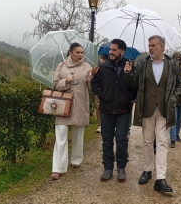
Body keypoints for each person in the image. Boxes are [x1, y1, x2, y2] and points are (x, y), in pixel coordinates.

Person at [124, 35, 181, 192]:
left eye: (153, 45)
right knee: (147, 141)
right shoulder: (143, 63)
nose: (150, 48)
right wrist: (129, 73)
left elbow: (180, 84)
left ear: (162, 47)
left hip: (165, 109)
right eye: (149, 45)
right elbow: (134, 84)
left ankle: (161, 178)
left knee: (163, 142)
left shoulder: (172, 64)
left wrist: (173, 99)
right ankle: (147, 170)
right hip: (147, 109)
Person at [91, 39, 137, 182]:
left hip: (124, 110)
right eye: (110, 49)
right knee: (107, 140)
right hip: (106, 109)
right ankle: (108, 167)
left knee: (122, 140)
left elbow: (136, 86)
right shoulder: (103, 67)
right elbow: (95, 83)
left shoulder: (131, 68)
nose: (111, 52)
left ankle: (121, 167)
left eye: (114, 50)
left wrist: (129, 75)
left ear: (122, 51)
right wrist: (103, 96)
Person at [51, 42, 98, 180]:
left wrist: (93, 77)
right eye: (77, 52)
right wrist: (66, 80)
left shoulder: (87, 67)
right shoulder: (61, 66)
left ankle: (76, 160)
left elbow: (90, 88)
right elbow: (54, 84)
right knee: (60, 137)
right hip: (63, 107)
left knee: (78, 136)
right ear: (70, 52)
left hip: (80, 105)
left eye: (82, 52)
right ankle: (57, 168)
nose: (80, 55)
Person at [94, 53, 109, 133]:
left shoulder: (110, 68)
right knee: (99, 108)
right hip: (99, 91)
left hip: (105, 91)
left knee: (100, 108)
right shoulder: (98, 67)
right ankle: (100, 125)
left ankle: (103, 125)